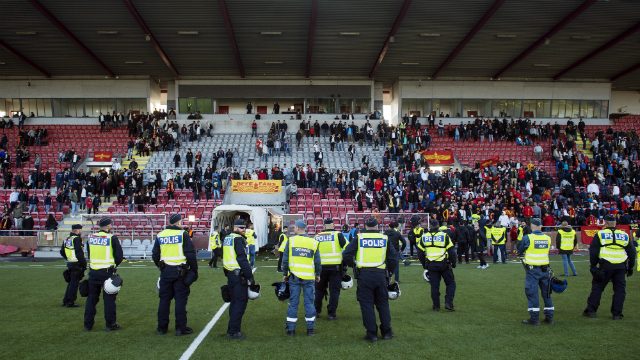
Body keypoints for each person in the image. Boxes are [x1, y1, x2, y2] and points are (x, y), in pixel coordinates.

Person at [342, 217, 397, 342]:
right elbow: (393, 258)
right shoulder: (384, 238)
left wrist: (353, 265)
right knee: (383, 304)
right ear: (377, 226)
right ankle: (387, 332)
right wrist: (390, 271)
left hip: (364, 275)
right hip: (381, 275)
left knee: (366, 305)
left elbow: (346, 255)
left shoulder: (360, 238)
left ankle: (371, 334)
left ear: (365, 226)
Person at [152, 214, 198, 336]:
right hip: (180, 273)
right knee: (180, 301)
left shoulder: (160, 235)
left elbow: (155, 255)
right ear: (178, 223)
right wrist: (194, 270)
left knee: (164, 301)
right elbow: (190, 254)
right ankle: (180, 328)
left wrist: (161, 266)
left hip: (165, 272)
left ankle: (162, 328)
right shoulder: (183, 234)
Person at [583, 215, 636, 320]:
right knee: (620, 290)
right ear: (615, 224)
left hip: (605, 265)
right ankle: (617, 314)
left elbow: (593, 251)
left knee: (598, 288)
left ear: (606, 223)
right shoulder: (624, 235)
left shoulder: (600, 234)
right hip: (621, 266)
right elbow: (632, 253)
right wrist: (630, 267)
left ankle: (591, 311)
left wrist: (593, 265)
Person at [282, 220, 320, 336]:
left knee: (293, 303)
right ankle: (310, 330)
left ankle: (291, 330)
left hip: (294, 277)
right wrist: (318, 274)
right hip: (309, 277)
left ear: (298, 228)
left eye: (294, 227)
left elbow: (285, 259)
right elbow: (317, 261)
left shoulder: (291, 240)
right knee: (309, 303)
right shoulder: (313, 242)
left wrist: (285, 274)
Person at [84, 217, 123, 331]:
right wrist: (113, 265)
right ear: (107, 226)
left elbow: (90, 254)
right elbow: (119, 256)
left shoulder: (91, 237)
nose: (111, 226)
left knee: (91, 299)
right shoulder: (112, 238)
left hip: (93, 272)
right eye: (110, 224)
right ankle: (110, 324)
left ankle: (88, 325)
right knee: (109, 300)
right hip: (107, 273)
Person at [518, 218, 553, 325]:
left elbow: (520, 250)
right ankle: (549, 317)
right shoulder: (548, 238)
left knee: (532, 293)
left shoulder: (527, 237)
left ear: (532, 226)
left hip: (533, 270)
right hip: (545, 269)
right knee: (547, 294)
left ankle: (534, 319)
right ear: (541, 226)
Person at [223, 219, 254, 339]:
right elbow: (242, 259)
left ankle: (231, 329)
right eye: (242, 228)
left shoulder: (227, 237)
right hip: (238, 275)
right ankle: (234, 331)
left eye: (244, 228)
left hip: (230, 274)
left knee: (234, 302)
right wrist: (250, 276)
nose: (244, 230)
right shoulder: (238, 239)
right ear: (236, 228)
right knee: (240, 303)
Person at [417, 220, 457, 311]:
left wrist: (424, 264)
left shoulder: (424, 237)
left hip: (431, 265)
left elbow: (420, 252)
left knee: (434, 286)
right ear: (438, 226)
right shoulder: (444, 236)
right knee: (451, 283)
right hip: (444, 264)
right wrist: (453, 263)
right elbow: (452, 251)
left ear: (430, 226)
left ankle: (436, 306)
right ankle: (448, 303)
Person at [314, 218, 348, 320]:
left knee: (318, 291)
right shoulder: (338, 235)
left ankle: (316, 311)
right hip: (335, 268)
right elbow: (347, 248)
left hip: (320, 268)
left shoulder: (317, 236)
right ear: (333, 225)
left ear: (324, 226)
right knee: (334, 292)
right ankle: (331, 314)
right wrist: (345, 263)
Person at [60, 224, 86, 308]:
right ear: (77, 230)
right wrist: (84, 265)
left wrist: (68, 258)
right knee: (74, 284)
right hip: (77, 264)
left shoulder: (67, 238)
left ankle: (66, 300)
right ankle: (70, 301)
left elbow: (62, 252)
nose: (81, 231)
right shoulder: (77, 239)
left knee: (71, 283)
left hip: (70, 263)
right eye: (81, 230)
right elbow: (79, 253)